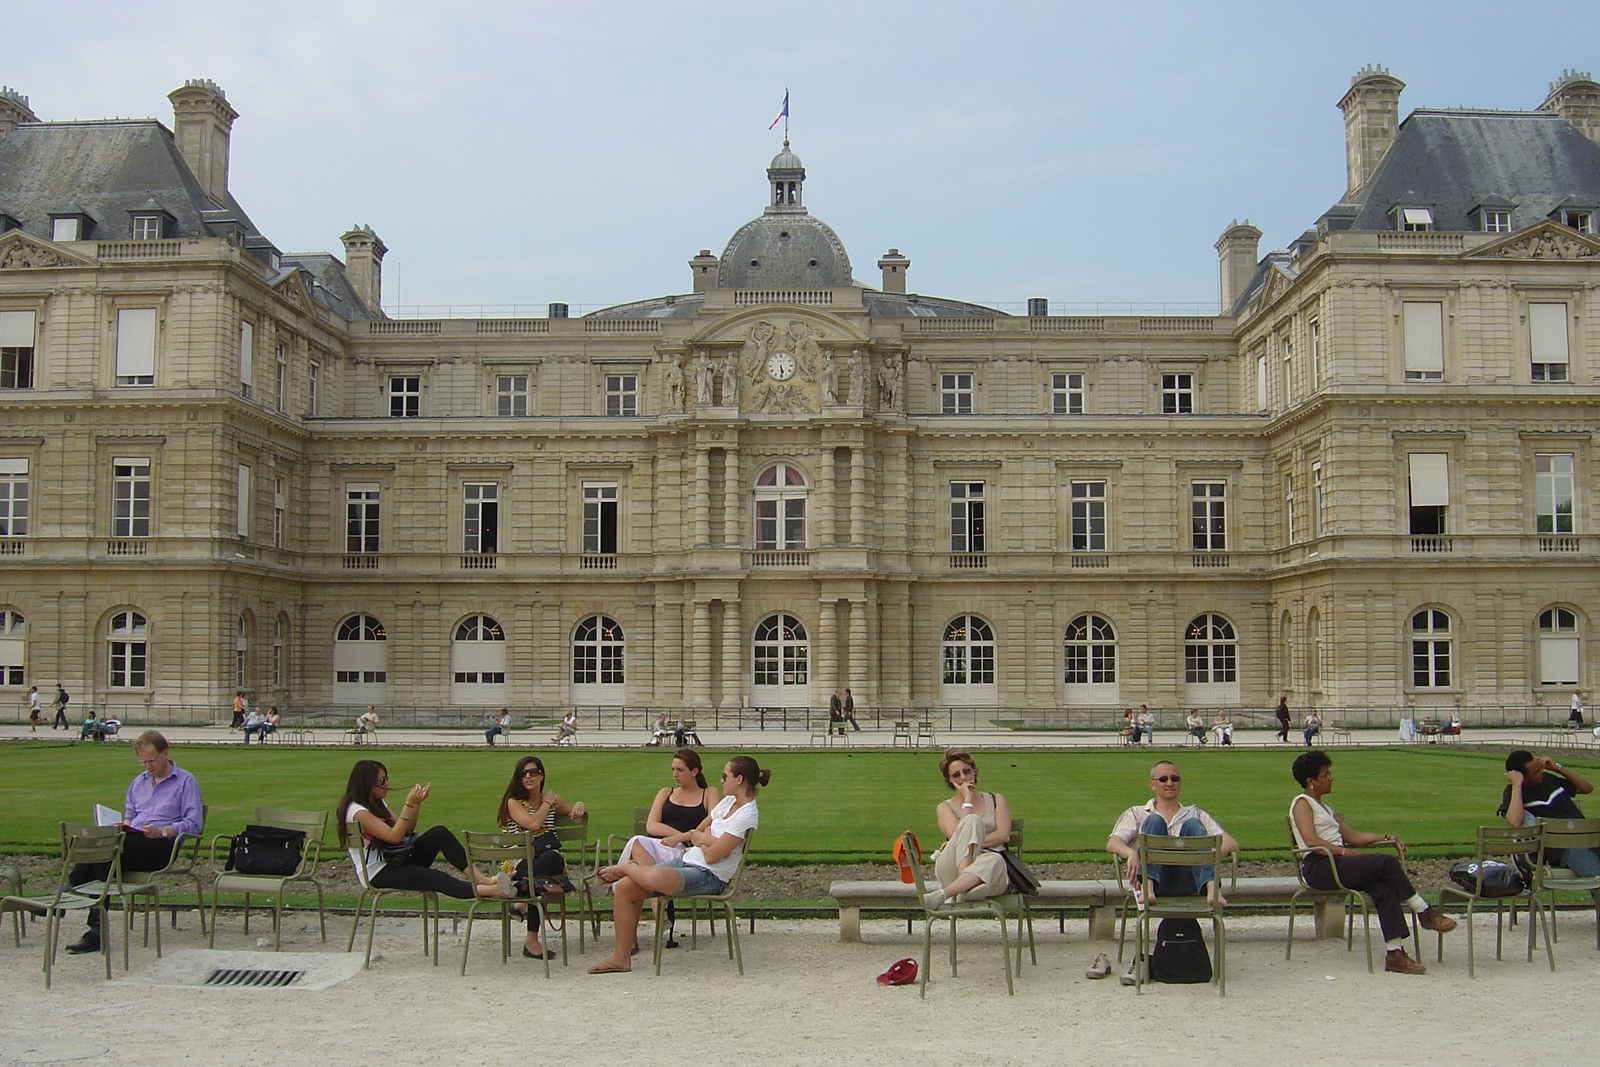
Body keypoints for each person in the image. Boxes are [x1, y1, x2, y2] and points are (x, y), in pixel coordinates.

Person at [588, 754, 767, 974]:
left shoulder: (746, 815)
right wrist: (707, 839)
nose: (721, 781)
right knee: (625, 887)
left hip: (710, 876)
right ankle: (621, 957)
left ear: (739, 779)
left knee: (650, 877)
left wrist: (703, 839)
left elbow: (712, 857)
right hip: (689, 858)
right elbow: (698, 833)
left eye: (724, 776)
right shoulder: (729, 801)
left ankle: (626, 867)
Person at [1290, 750, 1456, 975]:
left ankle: (1394, 953)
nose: (1331, 778)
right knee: (1386, 862)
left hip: (1336, 862)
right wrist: (1345, 853)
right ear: (1311, 781)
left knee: (1384, 888)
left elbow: (1353, 838)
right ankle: (1424, 912)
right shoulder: (1302, 803)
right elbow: (1311, 841)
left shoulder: (1325, 809)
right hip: (1320, 866)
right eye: (1326, 774)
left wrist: (1386, 837)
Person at [65, 730, 204, 955]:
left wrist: (163, 831)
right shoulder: (138, 783)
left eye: (152, 760)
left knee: (111, 848)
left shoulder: (185, 782)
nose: (148, 766)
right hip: (131, 842)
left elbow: (193, 824)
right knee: (108, 851)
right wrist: (122, 824)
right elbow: (130, 817)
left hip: (162, 847)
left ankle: (69, 889)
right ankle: (94, 931)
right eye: (144, 762)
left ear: (165, 753)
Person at [1105, 758, 1239, 982]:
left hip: (1190, 881)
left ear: (1180, 783)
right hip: (1154, 881)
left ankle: (1212, 888)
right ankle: (1148, 885)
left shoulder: (1196, 814)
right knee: (1154, 823)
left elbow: (1230, 843)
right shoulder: (1138, 813)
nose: (1170, 783)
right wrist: (1131, 853)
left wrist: (1206, 853)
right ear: (1152, 784)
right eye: (1164, 779)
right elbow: (1113, 842)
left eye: (1175, 779)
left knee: (1194, 828)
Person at [336, 759, 510, 906]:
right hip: (378, 873)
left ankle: (482, 879)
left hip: (394, 861)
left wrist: (416, 803)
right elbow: (394, 837)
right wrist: (408, 804)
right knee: (437, 878)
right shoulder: (358, 812)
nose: (387, 784)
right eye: (382, 781)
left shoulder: (376, 804)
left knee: (438, 833)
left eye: (386, 779)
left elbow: (406, 829)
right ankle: (491, 891)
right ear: (367, 784)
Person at [610, 748, 720, 948]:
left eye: (680, 770)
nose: (675, 775)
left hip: (687, 853)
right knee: (637, 842)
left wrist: (683, 836)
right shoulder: (666, 792)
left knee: (632, 875)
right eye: (673, 770)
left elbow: (713, 822)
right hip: (659, 847)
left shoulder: (708, 793)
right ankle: (656, 906)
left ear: (694, 771)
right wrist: (675, 835)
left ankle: (636, 934)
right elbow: (652, 826)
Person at [496, 755, 586, 959]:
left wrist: (580, 804)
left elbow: (575, 811)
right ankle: (531, 939)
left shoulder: (552, 801)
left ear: (541, 775)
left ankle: (519, 897)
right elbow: (533, 824)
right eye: (524, 773)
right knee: (542, 874)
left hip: (542, 862)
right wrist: (546, 803)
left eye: (533, 773)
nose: (528, 777)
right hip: (517, 861)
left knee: (549, 863)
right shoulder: (514, 802)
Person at [921, 749, 1011, 911]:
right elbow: (961, 838)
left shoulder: (996, 799)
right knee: (972, 820)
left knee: (995, 860)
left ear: (974, 772)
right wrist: (967, 802)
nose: (963, 778)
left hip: (989, 873)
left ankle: (946, 894)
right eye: (956, 775)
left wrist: (968, 843)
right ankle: (964, 885)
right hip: (952, 867)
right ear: (950, 780)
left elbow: (1003, 835)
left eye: (966, 771)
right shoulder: (944, 807)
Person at [1499, 750, 1600, 881]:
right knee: (1596, 876)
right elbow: (1515, 822)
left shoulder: (1549, 780)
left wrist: (1558, 768)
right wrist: (1517, 784)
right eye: (1536, 772)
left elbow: (1586, 788)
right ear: (1522, 776)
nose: (1542, 772)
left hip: (1588, 838)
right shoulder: (1514, 793)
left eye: (1540, 768)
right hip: (1563, 849)